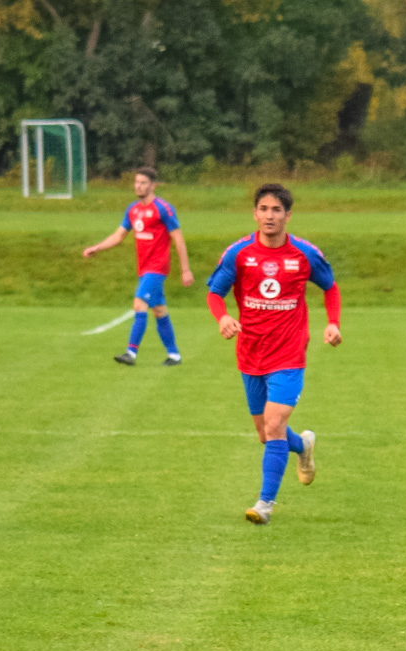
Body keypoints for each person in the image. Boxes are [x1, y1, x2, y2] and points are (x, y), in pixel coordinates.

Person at [206, 183, 341, 525]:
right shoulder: (239, 253)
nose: (270, 216)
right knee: (266, 434)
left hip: (289, 353)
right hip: (251, 353)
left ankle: (264, 504)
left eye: (276, 210)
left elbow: (330, 287)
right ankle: (303, 446)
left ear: (287, 216)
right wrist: (222, 317)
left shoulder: (305, 254)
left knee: (275, 423)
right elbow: (215, 294)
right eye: (264, 209)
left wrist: (333, 323)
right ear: (255, 214)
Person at [83, 166, 194, 367]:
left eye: (143, 183)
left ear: (153, 186)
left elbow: (178, 239)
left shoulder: (163, 208)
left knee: (139, 303)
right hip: (143, 269)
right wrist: (97, 247)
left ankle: (131, 353)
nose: (139, 186)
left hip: (157, 268)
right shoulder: (133, 210)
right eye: (136, 182)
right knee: (159, 310)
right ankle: (174, 355)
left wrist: (185, 270)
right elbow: (119, 235)